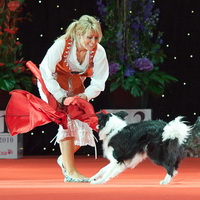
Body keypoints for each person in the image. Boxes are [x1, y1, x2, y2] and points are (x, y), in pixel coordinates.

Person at [38, 15, 109, 182]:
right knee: (67, 120)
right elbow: (46, 72)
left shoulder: (99, 51)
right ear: (78, 34)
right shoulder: (61, 45)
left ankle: (64, 159)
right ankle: (70, 172)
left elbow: (99, 81)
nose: (93, 42)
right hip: (52, 85)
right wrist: (60, 97)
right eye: (89, 37)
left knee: (82, 123)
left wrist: (86, 95)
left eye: (96, 37)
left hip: (76, 87)